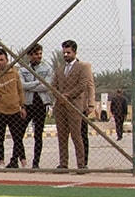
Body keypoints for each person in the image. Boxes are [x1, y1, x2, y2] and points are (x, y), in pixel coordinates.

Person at [53, 40, 95, 173]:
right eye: (64, 52)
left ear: (75, 52)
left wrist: (67, 95)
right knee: (62, 137)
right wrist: (59, 96)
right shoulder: (60, 69)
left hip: (75, 105)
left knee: (77, 136)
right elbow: (53, 85)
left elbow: (83, 85)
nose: (66, 55)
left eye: (68, 52)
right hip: (60, 106)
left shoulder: (82, 67)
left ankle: (81, 165)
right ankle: (63, 164)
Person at [18, 43, 52, 170]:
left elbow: (47, 85)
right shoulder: (23, 70)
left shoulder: (47, 69)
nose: (39, 56)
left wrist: (30, 86)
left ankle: (36, 162)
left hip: (40, 103)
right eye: (36, 54)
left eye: (40, 54)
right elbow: (22, 85)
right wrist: (38, 82)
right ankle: (20, 158)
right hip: (27, 104)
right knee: (19, 133)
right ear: (29, 55)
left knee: (38, 135)